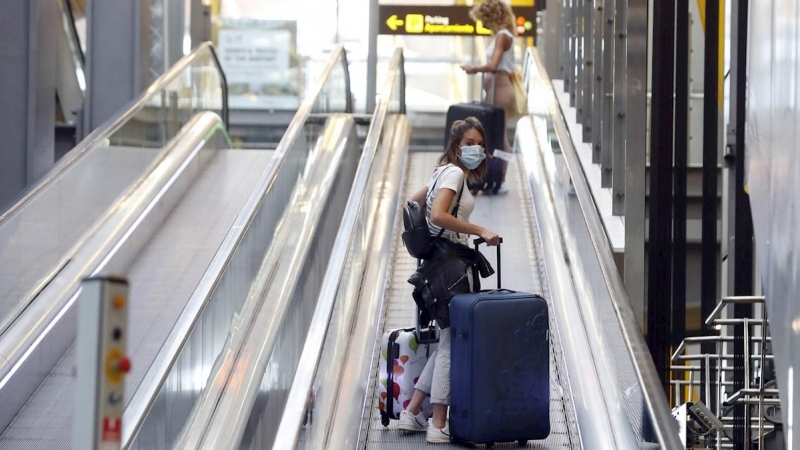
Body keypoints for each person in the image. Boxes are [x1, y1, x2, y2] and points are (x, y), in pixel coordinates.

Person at [399, 117, 500, 443]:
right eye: (469, 143)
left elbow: (413, 203)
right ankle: (438, 422)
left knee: (449, 341)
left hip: (437, 265)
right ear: (457, 146)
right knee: (452, 345)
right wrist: (479, 230)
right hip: (450, 267)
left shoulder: (441, 172)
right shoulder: (454, 173)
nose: (476, 149)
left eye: (480, 144)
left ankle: (413, 412)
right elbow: (437, 215)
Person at [461, 0, 519, 194]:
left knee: (498, 134)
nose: (483, 25)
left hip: (500, 89)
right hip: (494, 89)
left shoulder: (503, 36)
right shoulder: (500, 36)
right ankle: (493, 176)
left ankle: (500, 178)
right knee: (491, 133)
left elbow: (494, 65)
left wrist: (474, 69)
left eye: (484, 20)